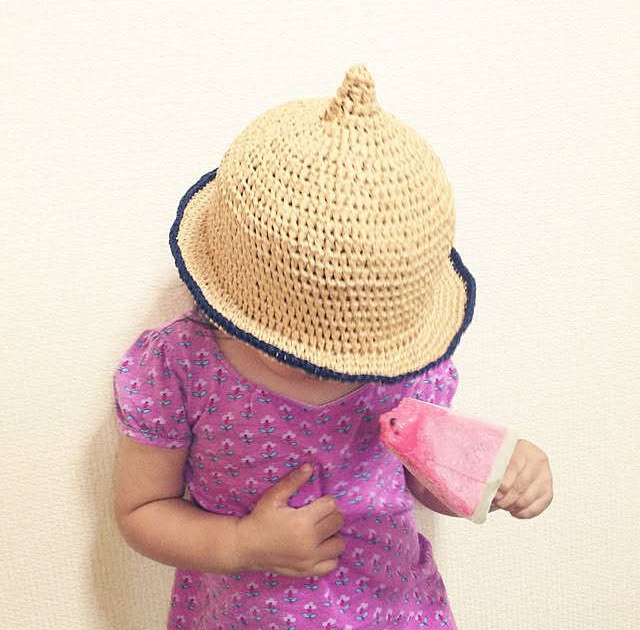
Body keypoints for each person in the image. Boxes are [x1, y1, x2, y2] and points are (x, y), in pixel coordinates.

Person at [113, 65, 553, 630]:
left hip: (394, 610)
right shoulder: (179, 367)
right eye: (295, 346)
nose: (322, 366)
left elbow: (426, 482)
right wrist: (242, 544)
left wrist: (498, 472)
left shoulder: (406, 366)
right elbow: (141, 509)